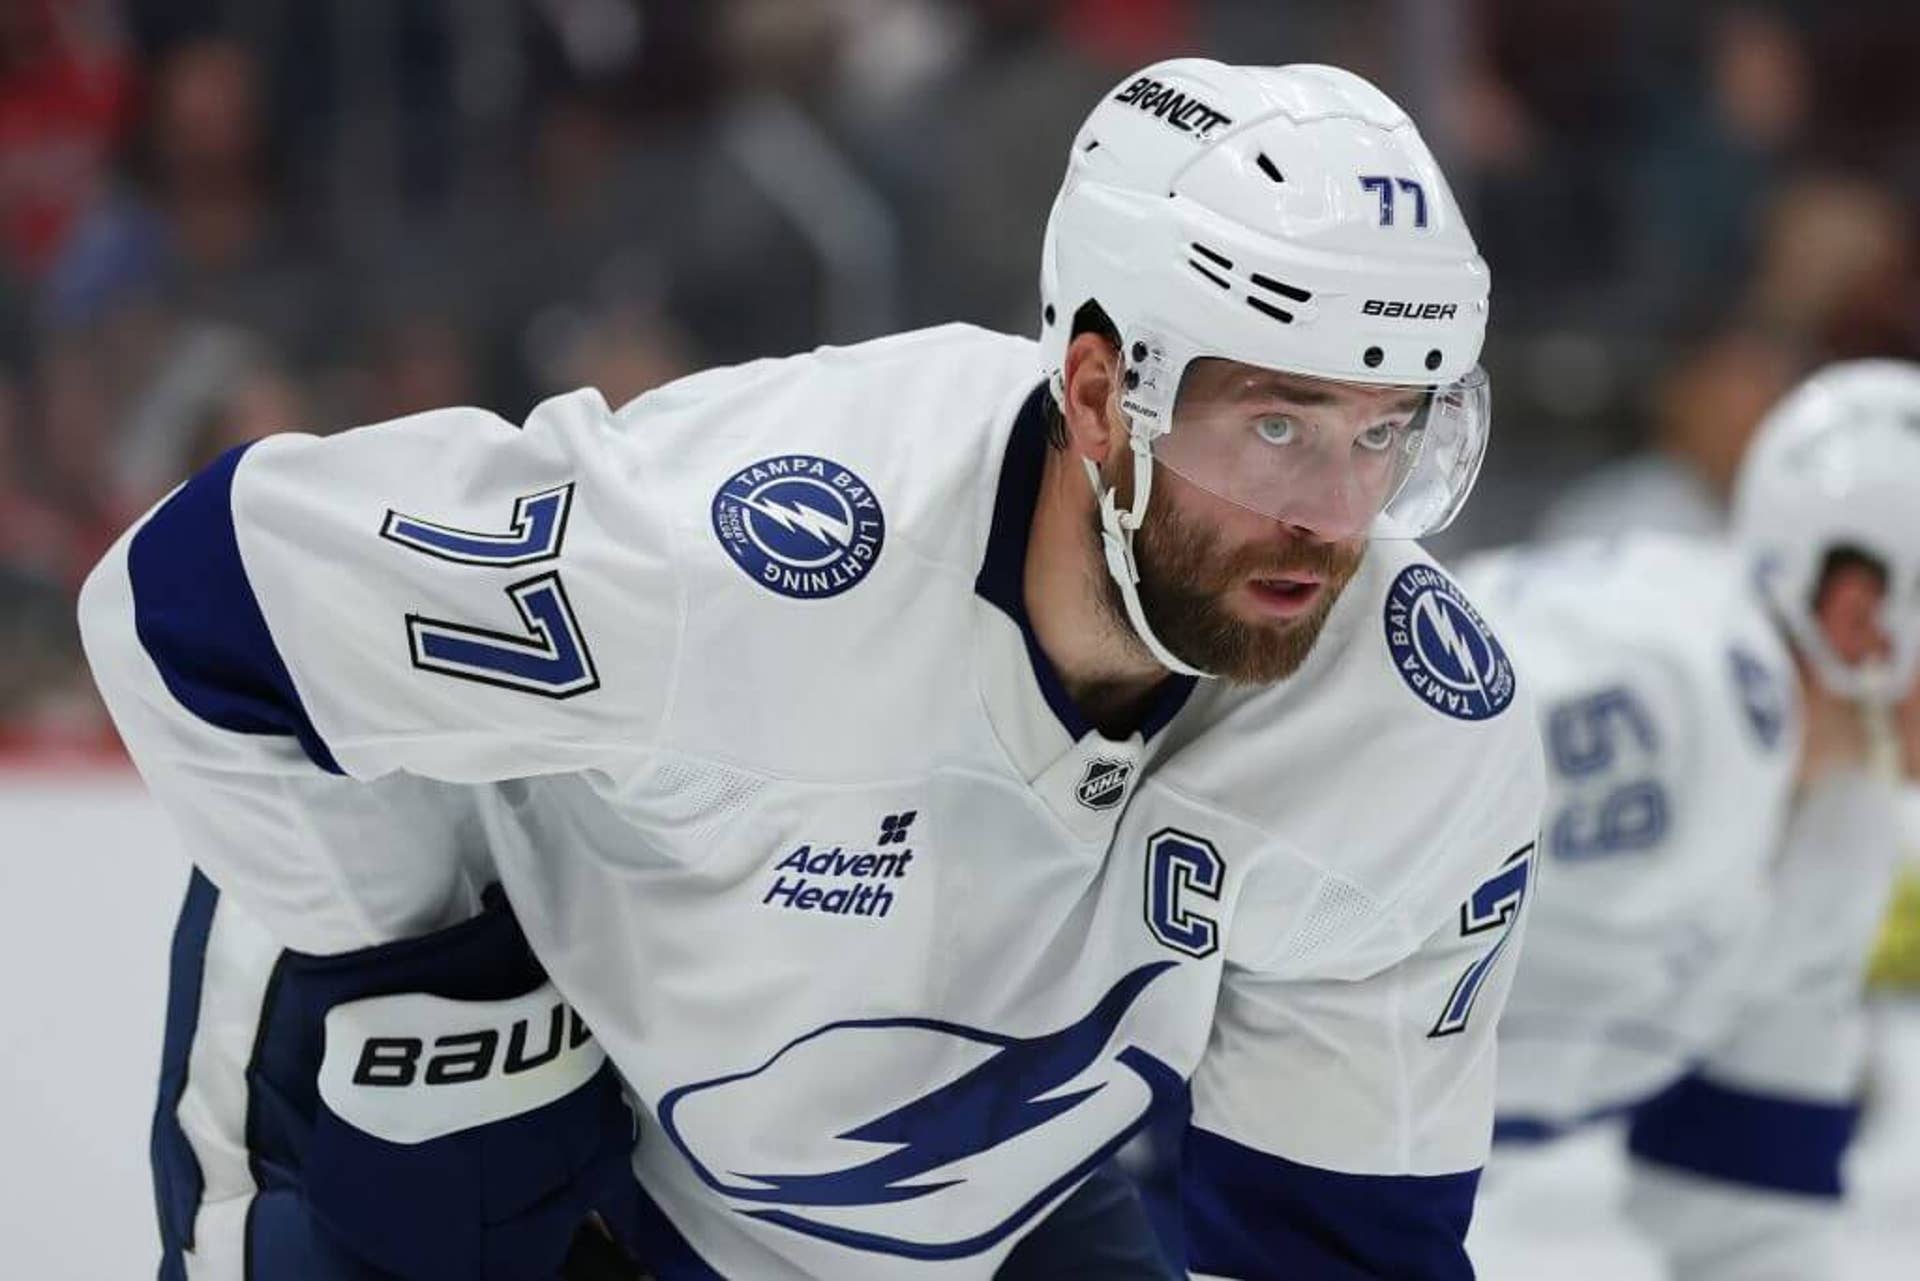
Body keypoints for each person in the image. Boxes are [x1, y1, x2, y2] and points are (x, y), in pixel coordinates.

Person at [79, 60, 1543, 1280]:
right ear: (1099, 393)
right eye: (1276, 428)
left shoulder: (1419, 735)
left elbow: (1342, 1240)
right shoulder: (745, 557)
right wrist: (435, 977)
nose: (1335, 519)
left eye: (1386, 433)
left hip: (945, 1204)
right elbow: (198, 599)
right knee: (433, 1161)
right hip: (532, 1129)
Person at [1457, 360, 1920, 1279]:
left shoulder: (1840, 822)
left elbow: (1748, 1210)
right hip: (1168, 1139)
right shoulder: (1662, 684)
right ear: (1859, 609)